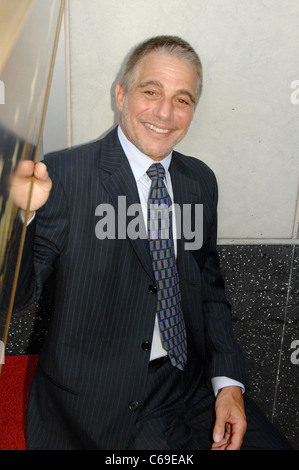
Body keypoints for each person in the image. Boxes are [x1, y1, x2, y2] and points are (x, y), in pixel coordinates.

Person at [10, 35, 292, 450]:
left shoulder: (199, 181)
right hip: (97, 405)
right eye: (151, 91)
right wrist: (21, 218)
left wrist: (228, 383)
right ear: (121, 94)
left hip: (189, 385)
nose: (165, 112)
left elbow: (210, 290)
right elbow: (17, 295)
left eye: (183, 99)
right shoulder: (64, 176)